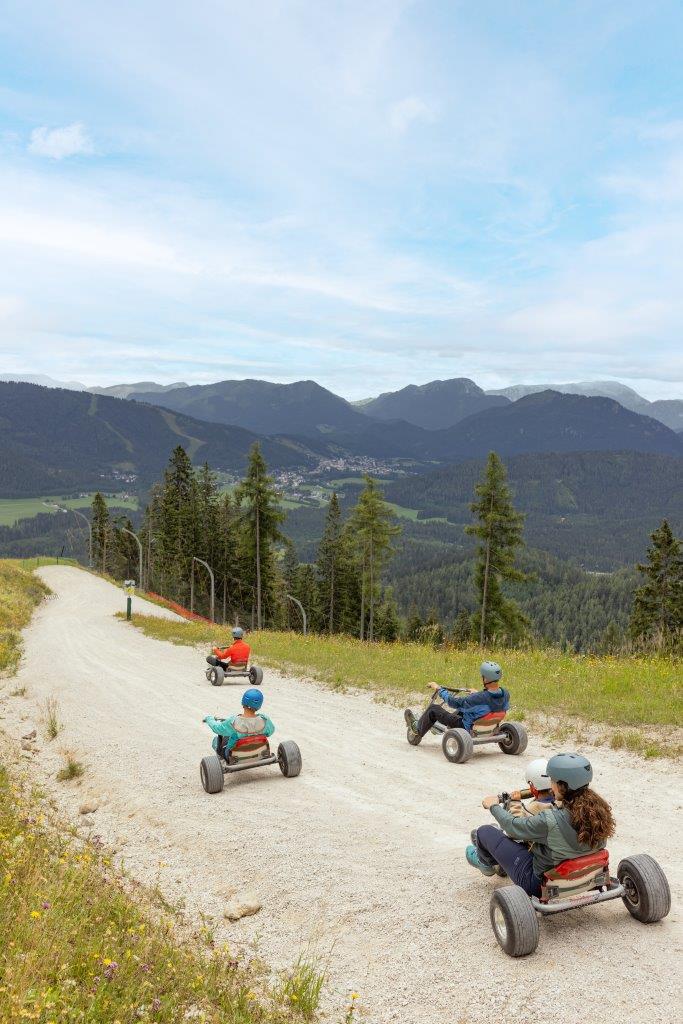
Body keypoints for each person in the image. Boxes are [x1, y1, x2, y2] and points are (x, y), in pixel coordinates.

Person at [465, 753, 616, 896]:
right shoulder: (599, 810)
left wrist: (493, 806)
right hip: (588, 873)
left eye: (552, 780)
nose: (551, 785)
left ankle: (486, 863)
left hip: (540, 884)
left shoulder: (549, 819)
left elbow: (512, 826)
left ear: (562, 785)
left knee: (485, 832)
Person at [404, 661, 509, 744]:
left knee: (433, 709)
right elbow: (489, 700)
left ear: (485, 678)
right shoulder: (505, 694)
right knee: (461, 710)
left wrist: (439, 689)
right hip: (490, 724)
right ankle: (439, 725)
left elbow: (452, 701)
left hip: (466, 727)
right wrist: (477, 693)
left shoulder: (478, 698)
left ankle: (416, 728)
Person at [203, 688, 274, 760]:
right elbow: (270, 732)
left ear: (243, 702)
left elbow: (217, 728)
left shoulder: (233, 722)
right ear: (259, 706)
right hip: (260, 751)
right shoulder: (265, 720)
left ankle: (220, 760)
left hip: (234, 755)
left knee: (218, 739)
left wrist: (209, 719)